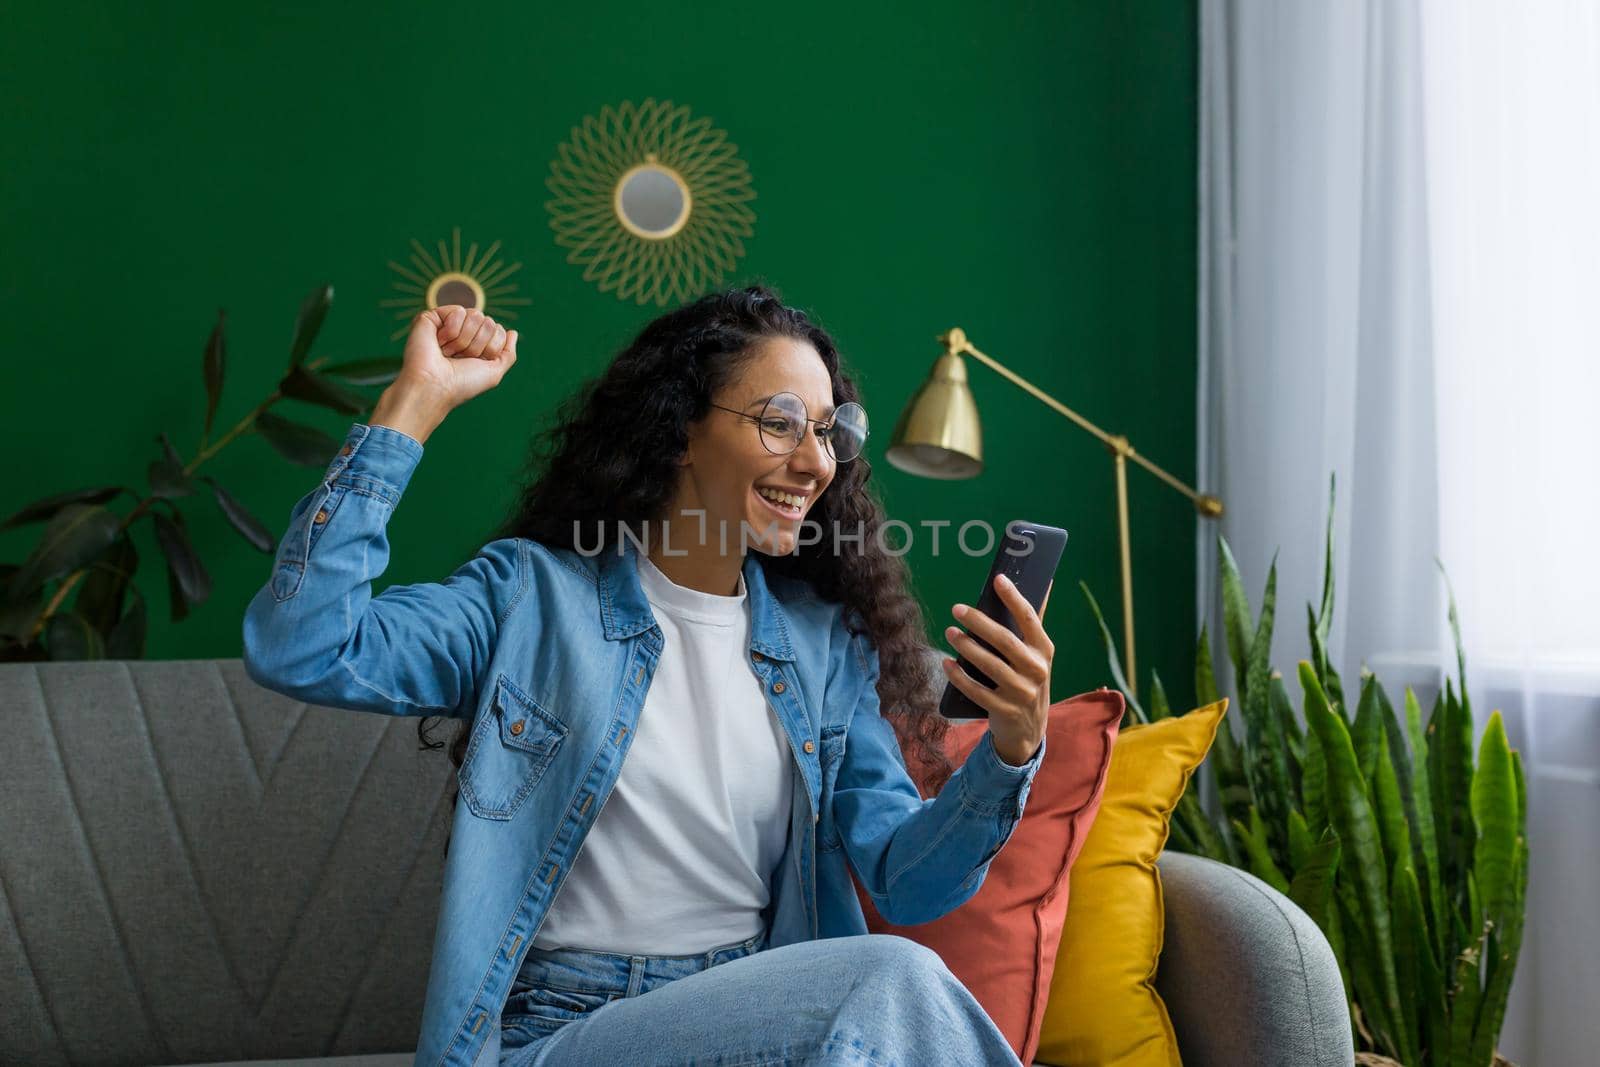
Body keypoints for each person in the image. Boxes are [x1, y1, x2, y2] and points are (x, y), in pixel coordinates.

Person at [241, 285, 1055, 1067]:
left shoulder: (821, 646)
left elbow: (907, 883)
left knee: (883, 988)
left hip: (761, 1010)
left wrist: (1011, 751)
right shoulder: (530, 599)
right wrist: (414, 402)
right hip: (568, 1028)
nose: (816, 461)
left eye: (831, 432)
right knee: (892, 979)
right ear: (682, 430)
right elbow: (303, 642)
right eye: (780, 423)